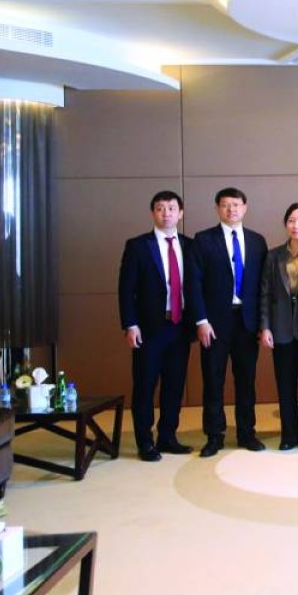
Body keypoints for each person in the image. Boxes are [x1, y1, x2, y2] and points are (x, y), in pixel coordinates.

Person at [186, 187, 268, 457]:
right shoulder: (203, 240)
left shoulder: (257, 241)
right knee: (213, 380)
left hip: (247, 322)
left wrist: (262, 324)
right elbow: (193, 284)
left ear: (245, 208)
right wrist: (201, 320)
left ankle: (247, 433)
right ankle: (214, 436)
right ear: (217, 208)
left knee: (246, 380)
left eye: (236, 204)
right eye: (225, 205)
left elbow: (263, 287)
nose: (231, 209)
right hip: (214, 324)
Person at [117, 190, 195, 461]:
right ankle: (145, 441)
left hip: (180, 326)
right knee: (145, 385)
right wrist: (130, 324)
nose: (166, 213)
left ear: (180, 213)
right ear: (153, 213)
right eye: (160, 208)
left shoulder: (190, 245)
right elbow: (126, 290)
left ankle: (167, 436)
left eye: (171, 208)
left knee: (175, 384)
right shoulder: (138, 246)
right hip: (149, 328)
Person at [259, 202, 298, 451]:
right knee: (285, 384)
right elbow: (265, 294)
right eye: (291, 221)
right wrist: (265, 327)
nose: (296, 226)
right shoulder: (273, 256)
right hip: (281, 328)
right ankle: (289, 434)